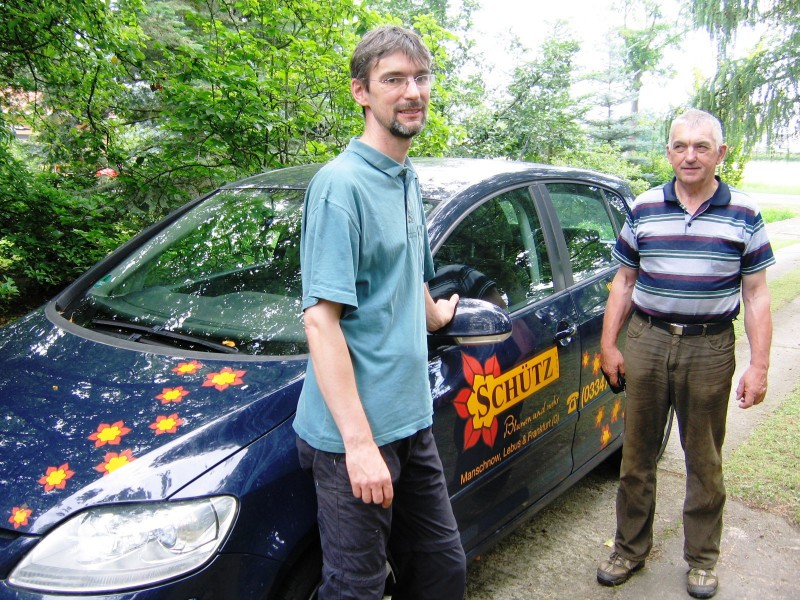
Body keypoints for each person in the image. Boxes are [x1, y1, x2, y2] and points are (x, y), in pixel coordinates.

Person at [293, 25, 467, 600]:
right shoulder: (341, 186)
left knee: (441, 570)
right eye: (393, 79)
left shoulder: (406, 178)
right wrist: (360, 446)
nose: (411, 91)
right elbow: (321, 321)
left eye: (419, 78)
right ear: (361, 92)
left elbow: (405, 273)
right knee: (355, 589)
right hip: (355, 439)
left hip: (409, 419)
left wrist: (435, 317)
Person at [596, 108, 774, 599]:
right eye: (679, 146)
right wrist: (610, 344)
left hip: (710, 346)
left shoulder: (745, 213)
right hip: (648, 341)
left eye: (701, 146)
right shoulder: (646, 207)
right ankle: (628, 550)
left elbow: (757, 294)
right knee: (636, 456)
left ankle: (702, 559)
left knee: (704, 459)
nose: (689, 156)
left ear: (721, 153)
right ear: (669, 152)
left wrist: (759, 366)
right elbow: (624, 281)